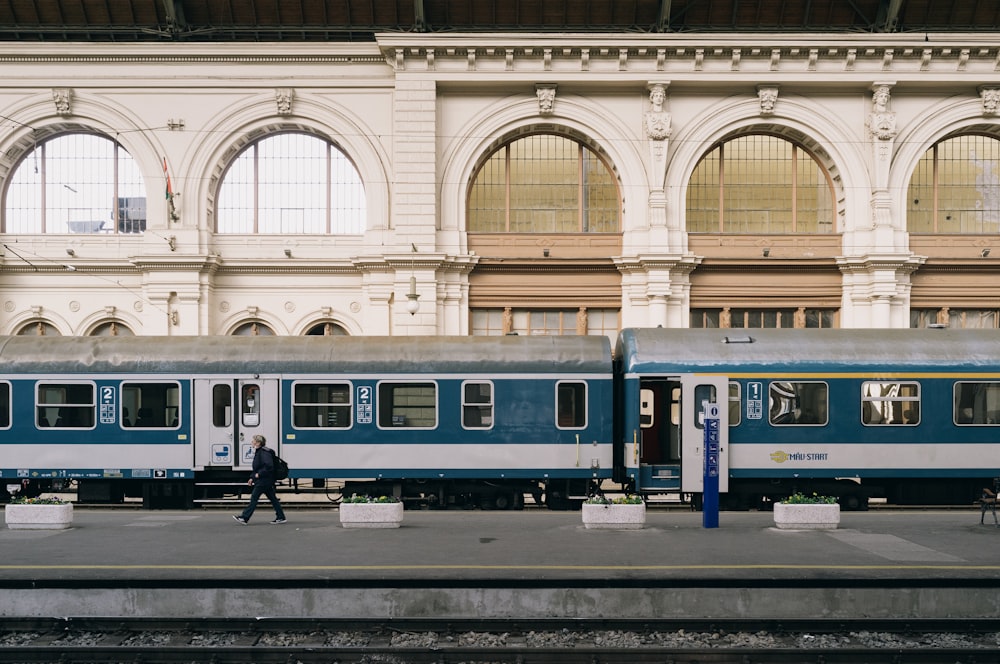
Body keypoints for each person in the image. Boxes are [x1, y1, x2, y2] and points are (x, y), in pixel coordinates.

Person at [233, 434, 286, 525]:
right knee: (273, 499)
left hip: (264, 480)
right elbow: (258, 467)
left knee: (254, 498)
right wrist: (252, 477)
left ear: (258, 443)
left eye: (253, 440)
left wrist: (259, 474)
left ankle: (244, 517)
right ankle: (281, 517)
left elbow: (269, 466)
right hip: (266, 480)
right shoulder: (260, 452)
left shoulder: (263, 453)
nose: (252, 442)